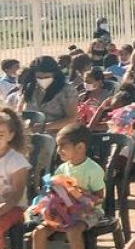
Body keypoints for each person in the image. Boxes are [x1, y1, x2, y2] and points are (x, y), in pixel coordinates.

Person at [30, 123, 105, 249]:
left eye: (62, 145)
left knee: (73, 231)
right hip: (63, 211)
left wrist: (78, 194)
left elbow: (100, 197)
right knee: (38, 232)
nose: (58, 150)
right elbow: (55, 190)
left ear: (80, 147)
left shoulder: (93, 169)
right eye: (57, 146)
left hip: (89, 212)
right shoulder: (62, 168)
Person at [18, 56, 78, 133]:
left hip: (56, 135)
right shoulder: (29, 88)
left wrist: (46, 126)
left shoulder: (66, 90)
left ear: (55, 74)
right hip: (30, 135)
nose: (43, 80)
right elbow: (19, 111)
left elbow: (72, 118)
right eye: (39, 77)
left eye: (47, 77)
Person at [0, 107, 30, 248]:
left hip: (14, 207)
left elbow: (16, 194)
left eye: (0, 135)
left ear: (10, 136)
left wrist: (2, 209)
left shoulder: (16, 160)